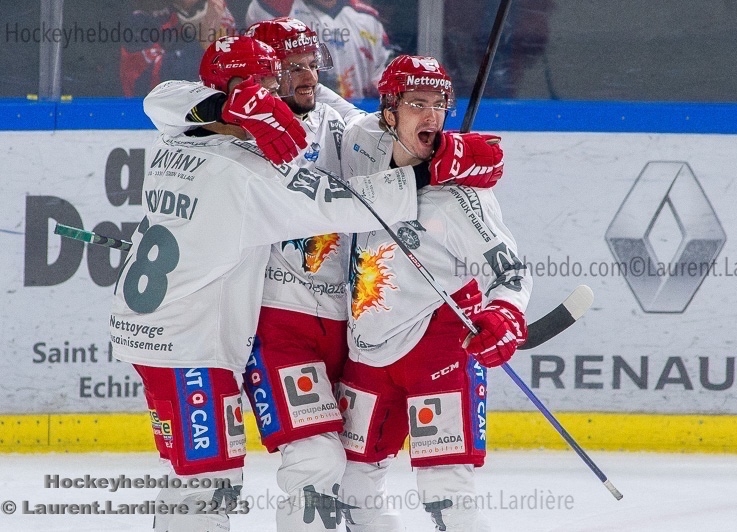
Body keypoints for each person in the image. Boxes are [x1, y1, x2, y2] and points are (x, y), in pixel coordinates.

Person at [112, 35, 500, 532]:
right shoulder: (250, 172)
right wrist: (428, 174)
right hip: (192, 341)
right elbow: (344, 205)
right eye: (266, 83)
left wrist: (226, 104)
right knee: (208, 482)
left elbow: (163, 98)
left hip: (164, 326)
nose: (277, 92)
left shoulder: (174, 137)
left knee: (204, 478)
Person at [336, 55, 533, 531]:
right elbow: (322, 108)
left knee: (447, 495)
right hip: (366, 347)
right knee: (352, 491)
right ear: (388, 111)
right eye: (416, 103)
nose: (431, 115)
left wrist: (504, 314)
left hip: (438, 347)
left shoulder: (462, 196)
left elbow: (510, 270)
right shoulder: (360, 146)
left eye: (439, 104)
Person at [245, 0, 392, 99]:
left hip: (355, 116)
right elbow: (261, 75)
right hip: (294, 114)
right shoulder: (271, 7)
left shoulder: (368, 17)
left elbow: (381, 79)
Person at [120, 0, 237, 97]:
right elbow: (146, 81)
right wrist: (203, 44)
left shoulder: (219, 13)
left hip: (210, 106)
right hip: (148, 111)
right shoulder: (142, 19)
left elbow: (235, 72)